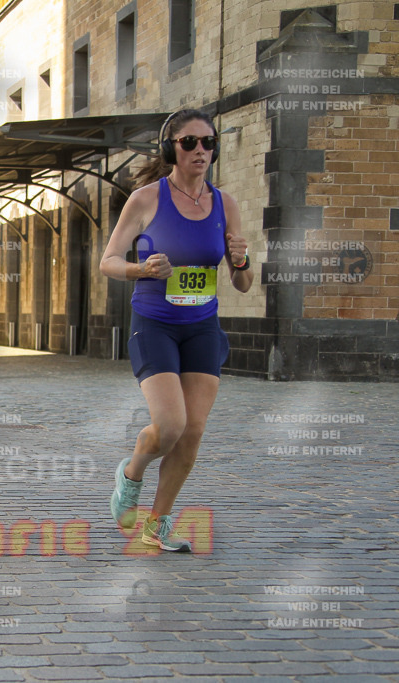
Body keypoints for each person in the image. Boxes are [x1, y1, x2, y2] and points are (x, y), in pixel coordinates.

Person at [100, 109, 253, 552]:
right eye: (189, 142)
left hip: (203, 326)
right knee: (169, 425)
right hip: (155, 324)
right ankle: (132, 471)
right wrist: (142, 269)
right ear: (172, 149)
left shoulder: (226, 204)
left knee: (193, 430)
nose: (200, 150)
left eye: (207, 142)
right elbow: (107, 260)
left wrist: (241, 260)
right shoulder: (147, 199)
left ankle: (157, 524)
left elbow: (243, 283)